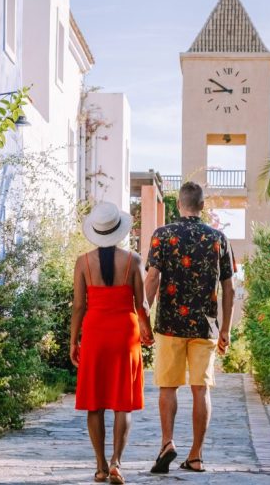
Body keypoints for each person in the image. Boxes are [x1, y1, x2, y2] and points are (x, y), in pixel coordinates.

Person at [144, 181, 235, 473]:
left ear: (178, 204)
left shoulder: (162, 235)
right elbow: (229, 289)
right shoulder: (218, 238)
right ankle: (195, 456)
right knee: (201, 390)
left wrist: (142, 318)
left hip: (169, 324)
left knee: (168, 387)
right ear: (202, 206)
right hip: (205, 327)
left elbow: (152, 279)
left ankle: (167, 443)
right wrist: (227, 329)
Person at [70, 201, 154, 484]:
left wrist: (73, 341)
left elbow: (79, 307)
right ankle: (117, 462)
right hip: (124, 333)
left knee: (95, 402)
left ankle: (100, 466)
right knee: (122, 402)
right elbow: (141, 303)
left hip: (94, 333)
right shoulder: (134, 261)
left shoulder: (83, 262)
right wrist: (147, 330)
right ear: (119, 231)